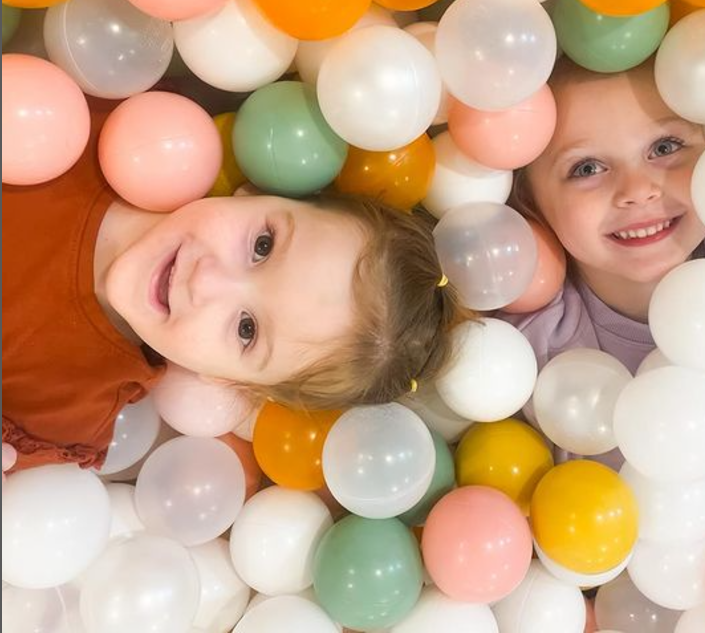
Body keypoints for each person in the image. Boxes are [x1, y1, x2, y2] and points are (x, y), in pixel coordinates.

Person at [3, 100, 470, 472]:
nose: (207, 280)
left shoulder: (64, 409)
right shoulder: (103, 122)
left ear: (228, 381)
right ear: (254, 191)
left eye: (247, 329)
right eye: (262, 245)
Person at [499, 58, 705, 456]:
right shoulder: (530, 355)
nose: (637, 189)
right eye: (587, 168)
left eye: (665, 147)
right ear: (531, 203)